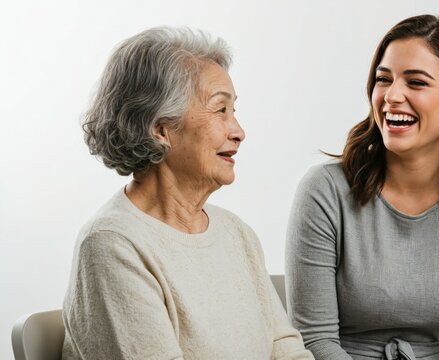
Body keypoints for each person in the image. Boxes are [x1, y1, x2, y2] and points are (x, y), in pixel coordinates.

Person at [62, 27, 313, 359]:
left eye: (233, 111)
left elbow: (285, 347)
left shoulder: (236, 234)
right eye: (220, 110)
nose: (239, 132)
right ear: (161, 129)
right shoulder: (112, 244)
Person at [286, 15, 439, 360]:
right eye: (384, 79)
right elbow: (314, 341)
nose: (392, 96)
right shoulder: (324, 192)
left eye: (417, 83)